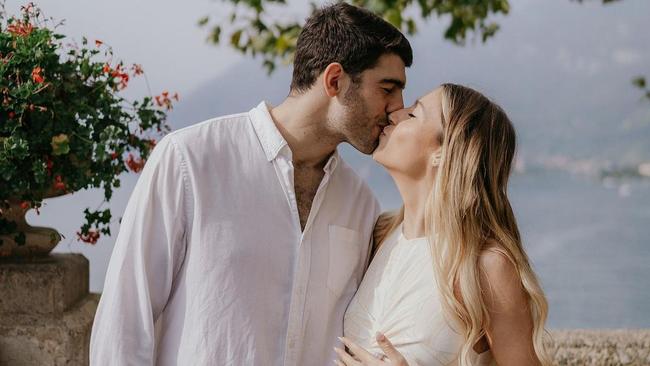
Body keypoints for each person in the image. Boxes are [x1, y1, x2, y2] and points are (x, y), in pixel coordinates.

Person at [89, 3, 412, 365]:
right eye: (388, 88)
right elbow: (124, 323)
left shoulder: (361, 203)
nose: (398, 108)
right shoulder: (189, 161)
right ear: (335, 80)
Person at [337, 84, 552, 366]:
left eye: (414, 115)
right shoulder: (381, 235)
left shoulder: (484, 266)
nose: (395, 114)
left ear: (444, 153)